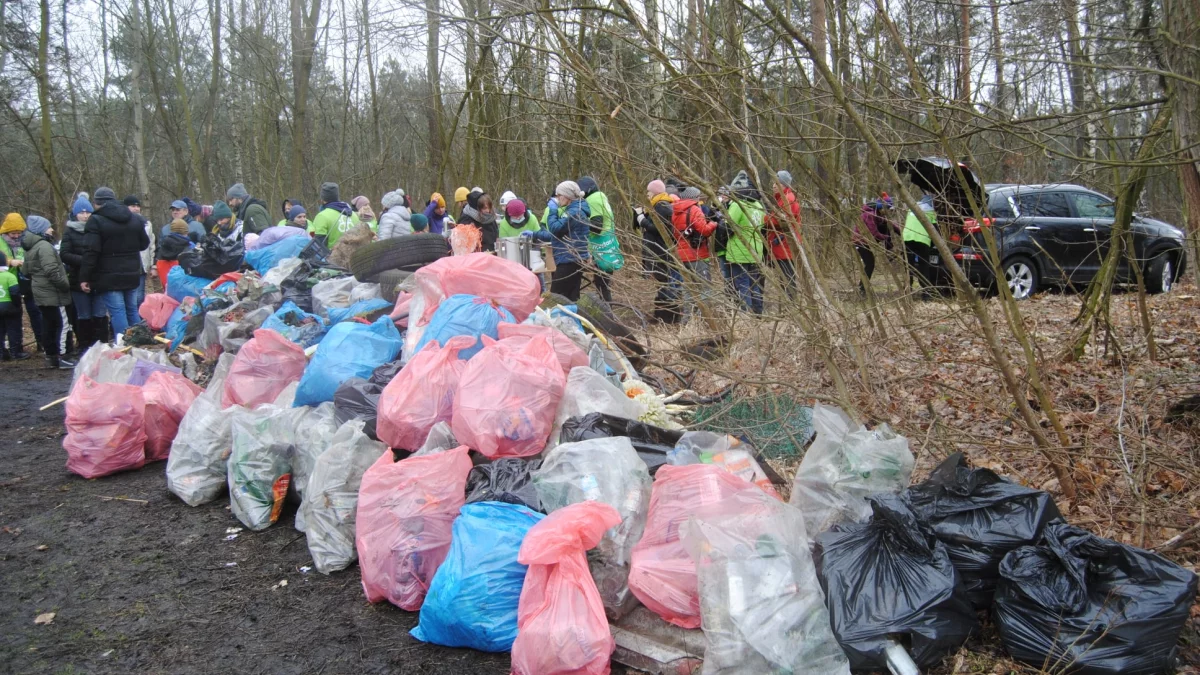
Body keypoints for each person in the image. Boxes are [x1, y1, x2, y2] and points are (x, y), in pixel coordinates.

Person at [80, 187, 150, 339]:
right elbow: (144, 244)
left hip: (108, 275)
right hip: (132, 271)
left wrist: (85, 276)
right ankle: (140, 343)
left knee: (118, 311)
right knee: (132, 309)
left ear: (96, 203)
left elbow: (91, 251)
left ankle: (124, 346)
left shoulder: (95, 220)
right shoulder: (134, 218)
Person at [21, 216, 74, 368]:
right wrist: (64, 284)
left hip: (40, 292)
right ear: (41, 230)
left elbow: (25, 271)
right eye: (48, 227)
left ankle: (50, 357)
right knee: (62, 324)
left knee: (49, 324)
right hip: (53, 292)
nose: (52, 229)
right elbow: (52, 270)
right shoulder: (44, 246)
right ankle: (64, 356)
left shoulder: (31, 247)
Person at [60, 196, 103, 352]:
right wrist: (85, 261)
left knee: (99, 314)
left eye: (88, 212)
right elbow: (64, 254)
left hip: (98, 278)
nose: (85, 215)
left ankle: (101, 345)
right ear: (75, 214)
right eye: (82, 212)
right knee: (83, 315)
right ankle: (85, 345)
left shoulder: (98, 228)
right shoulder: (69, 232)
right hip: (77, 278)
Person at [724, 171, 766, 314]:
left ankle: (745, 316)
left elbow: (728, 226)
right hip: (756, 250)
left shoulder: (738, 205)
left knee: (742, 285)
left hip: (740, 251)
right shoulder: (758, 205)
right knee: (754, 284)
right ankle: (758, 313)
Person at [0, 213, 43, 353]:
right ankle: (11, 349)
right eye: (13, 233)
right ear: (6, 231)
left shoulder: (27, 241)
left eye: (19, 233)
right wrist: (10, 262)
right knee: (11, 318)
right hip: (8, 285)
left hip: (28, 282)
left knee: (36, 313)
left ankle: (42, 342)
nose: (16, 236)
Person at [671, 186, 717, 315]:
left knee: (689, 289)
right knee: (705, 288)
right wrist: (713, 223)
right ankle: (703, 318)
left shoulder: (675, 211)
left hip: (682, 254)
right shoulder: (695, 210)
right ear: (695, 197)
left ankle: (688, 319)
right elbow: (704, 230)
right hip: (697, 254)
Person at [545, 181, 592, 300]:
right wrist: (535, 235)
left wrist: (553, 211)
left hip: (569, 260)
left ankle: (556, 318)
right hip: (574, 259)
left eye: (558, 195)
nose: (557, 198)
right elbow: (560, 234)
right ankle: (571, 318)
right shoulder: (576, 210)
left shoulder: (574, 212)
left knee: (555, 298)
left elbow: (555, 228)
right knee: (571, 298)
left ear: (567, 196)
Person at [578, 176, 622, 302]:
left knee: (602, 284)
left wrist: (580, 223)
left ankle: (607, 315)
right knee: (603, 283)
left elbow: (596, 226)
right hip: (607, 245)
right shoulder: (601, 197)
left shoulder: (593, 200)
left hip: (600, 246)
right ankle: (607, 311)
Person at [765, 170, 801, 295]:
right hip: (782, 243)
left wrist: (764, 218)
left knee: (787, 278)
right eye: (774, 183)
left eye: (777, 183)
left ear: (784, 185)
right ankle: (789, 306)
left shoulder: (787, 199)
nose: (774, 186)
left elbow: (781, 221)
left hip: (784, 244)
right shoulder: (784, 199)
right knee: (785, 278)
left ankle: (792, 307)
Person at [854, 193, 894, 293]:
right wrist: (886, 237)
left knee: (870, 264)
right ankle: (862, 289)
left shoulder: (877, 214)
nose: (888, 211)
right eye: (887, 209)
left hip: (866, 241)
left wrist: (901, 232)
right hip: (860, 242)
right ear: (881, 207)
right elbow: (874, 233)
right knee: (870, 264)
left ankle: (862, 287)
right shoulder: (870, 215)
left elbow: (890, 224)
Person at [902, 195, 941, 295]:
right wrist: (933, 245)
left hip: (907, 238)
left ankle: (907, 291)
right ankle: (926, 293)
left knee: (908, 266)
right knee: (924, 266)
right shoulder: (930, 213)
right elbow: (935, 232)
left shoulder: (911, 209)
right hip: (922, 240)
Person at [0, 251, 30, 360]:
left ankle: (1, 353)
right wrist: (17, 305)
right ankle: (16, 352)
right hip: (9, 307)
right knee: (14, 329)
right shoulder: (10, 276)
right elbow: (14, 292)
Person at [123, 195, 153, 305]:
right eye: (132, 206)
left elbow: (151, 245)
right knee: (130, 296)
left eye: (137, 206)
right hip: (127, 265)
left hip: (142, 264)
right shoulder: (121, 223)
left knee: (140, 296)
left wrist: (151, 264)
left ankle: (139, 318)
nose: (136, 208)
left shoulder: (147, 224)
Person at [308, 182, 356, 249]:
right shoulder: (354, 215)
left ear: (322, 199)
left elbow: (319, 245)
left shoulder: (322, 216)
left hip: (333, 257)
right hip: (355, 256)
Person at [155, 219, 194, 287]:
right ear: (186, 231)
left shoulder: (163, 245)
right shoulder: (189, 246)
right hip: (184, 288)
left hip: (167, 287)